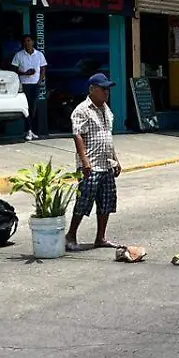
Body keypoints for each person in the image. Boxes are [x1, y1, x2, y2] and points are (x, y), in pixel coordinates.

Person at [66, 73, 122, 252]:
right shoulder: (82, 110)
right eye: (103, 89)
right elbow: (78, 135)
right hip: (91, 165)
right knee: (84, 200)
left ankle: (101, 237)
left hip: (106, 163)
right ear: (92, 89)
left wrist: (116, 160)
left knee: (107, 201)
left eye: (108, 89)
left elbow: (108, 137)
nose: (107, 92)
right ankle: (71, 235)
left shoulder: (106, 109)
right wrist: (85, 161)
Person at [11, 34, 47, 141]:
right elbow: (13, 70)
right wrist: (24, 73)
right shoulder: (19, 55)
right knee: (26, 108)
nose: (27, 43)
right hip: (24, 84)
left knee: (33, 107)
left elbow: (43, 68)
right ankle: (27, 130)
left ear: (33, 42)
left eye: (29, 41)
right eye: (25, 41)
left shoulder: (39, 55)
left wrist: (40, 80)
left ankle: (31, 130)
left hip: (35, 84)